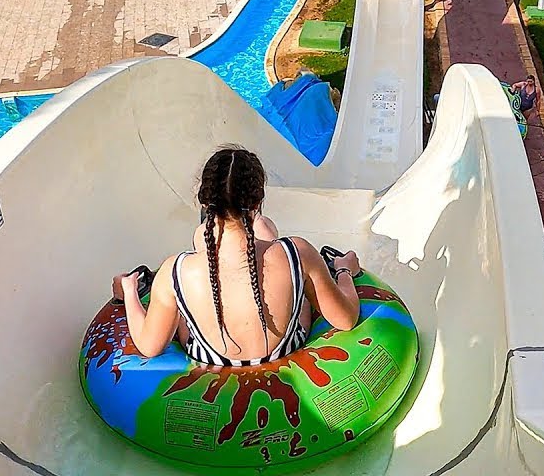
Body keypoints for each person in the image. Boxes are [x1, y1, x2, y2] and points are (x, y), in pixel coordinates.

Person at [112, 148, 362, 364]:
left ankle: (211, 233)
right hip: (284, 349)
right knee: (265, 231)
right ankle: (255, 226)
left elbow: (149, 346)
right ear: (257, 201)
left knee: (203, 241)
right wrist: (343, 272)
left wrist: (130, 291)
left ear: (204, 201)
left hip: (210, 357)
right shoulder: (299, 252)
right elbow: (346, 319)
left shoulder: (173, 270)